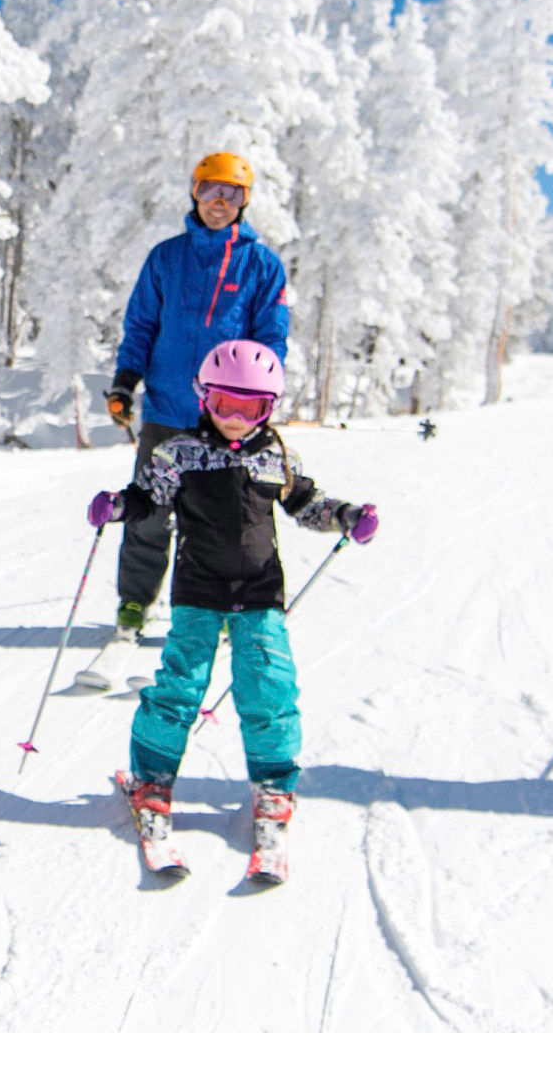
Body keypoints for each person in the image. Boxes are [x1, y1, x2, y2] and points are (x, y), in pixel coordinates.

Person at [90, 339, 374, 866]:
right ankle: (151, 779)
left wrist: (346, 515)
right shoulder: (177, 453)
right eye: (226, 405)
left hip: (260, 594)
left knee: (268, 689)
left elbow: (306, 503)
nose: (237, 419)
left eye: (252, 409)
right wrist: (116, 505)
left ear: (270, 408)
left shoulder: (276, 456)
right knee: (179, 687)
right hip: (198, 592)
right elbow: (149, 498)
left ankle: (273, 785)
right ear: (204, 398)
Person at [97, 150, 290, 674]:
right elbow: (141, 325)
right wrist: (125, 381)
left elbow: (272, 338)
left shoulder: (261, 265)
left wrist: (258, 400)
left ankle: (225, 611)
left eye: (231, 193)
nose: (219, 202)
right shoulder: (166, 257)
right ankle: (134, 603)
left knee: (225, 521)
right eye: (210, 190)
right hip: (166, 408)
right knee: (149, 512)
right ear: (194, 193)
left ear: (244, 200)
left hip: (226, 418)